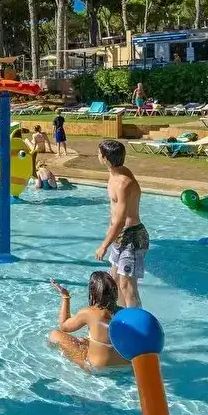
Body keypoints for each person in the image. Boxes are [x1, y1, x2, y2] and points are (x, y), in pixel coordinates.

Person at [94, 140, 146, 309]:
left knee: (127, 286)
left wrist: (104, 245)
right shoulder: (115, 173)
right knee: (115, 282)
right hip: (120, 236)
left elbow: (121, 220)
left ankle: (136, 321)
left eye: (99, 153)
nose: (97, 155)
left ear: (105, 158)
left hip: (132, 237)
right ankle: (122, 315)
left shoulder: (124, 182)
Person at [47, 272, 129, 373]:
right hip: (125, 365)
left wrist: (65, 296)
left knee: (54, 334)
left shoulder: (88, 312)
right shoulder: (125, 312)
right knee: (84, 340)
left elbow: (64, 326)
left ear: (93, 292)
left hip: (97, 368)